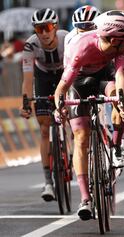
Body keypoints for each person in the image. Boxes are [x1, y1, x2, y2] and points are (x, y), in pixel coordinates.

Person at [53, 10, 124, 220]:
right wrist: (60, 107)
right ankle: (85, 198)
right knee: (81, 137)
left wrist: (122, 103)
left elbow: (121, 77)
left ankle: (116, 146)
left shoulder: (120, 47)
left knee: (121, 104)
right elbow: (62, 87)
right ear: (112, 38)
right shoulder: (81, 47)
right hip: (78, 82)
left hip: (105, 78)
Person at [20, 8, 68, 202]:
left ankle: (70, 148)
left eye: (48, 28)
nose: (44, 33)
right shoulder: (30, 46)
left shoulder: (67, 39)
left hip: (65, 75)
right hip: (43, 78)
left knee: (72, 119)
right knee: (44, 129)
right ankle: (48, 181)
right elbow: (28, 78)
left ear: (55, 27)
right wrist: (25, 103)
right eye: (39, 29)